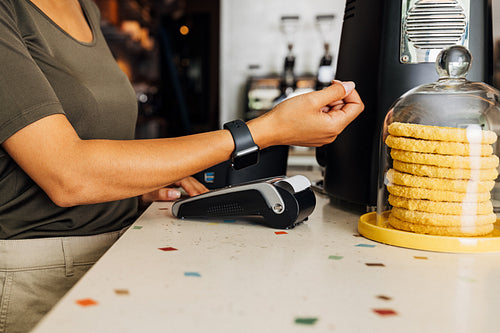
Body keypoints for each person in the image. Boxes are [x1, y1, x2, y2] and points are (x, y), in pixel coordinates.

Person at [0, 0, 364, 332]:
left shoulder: (85, 8)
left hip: (120, 249)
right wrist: (264, 131)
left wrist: (135, 184)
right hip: (39, 272)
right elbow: (68, 175)